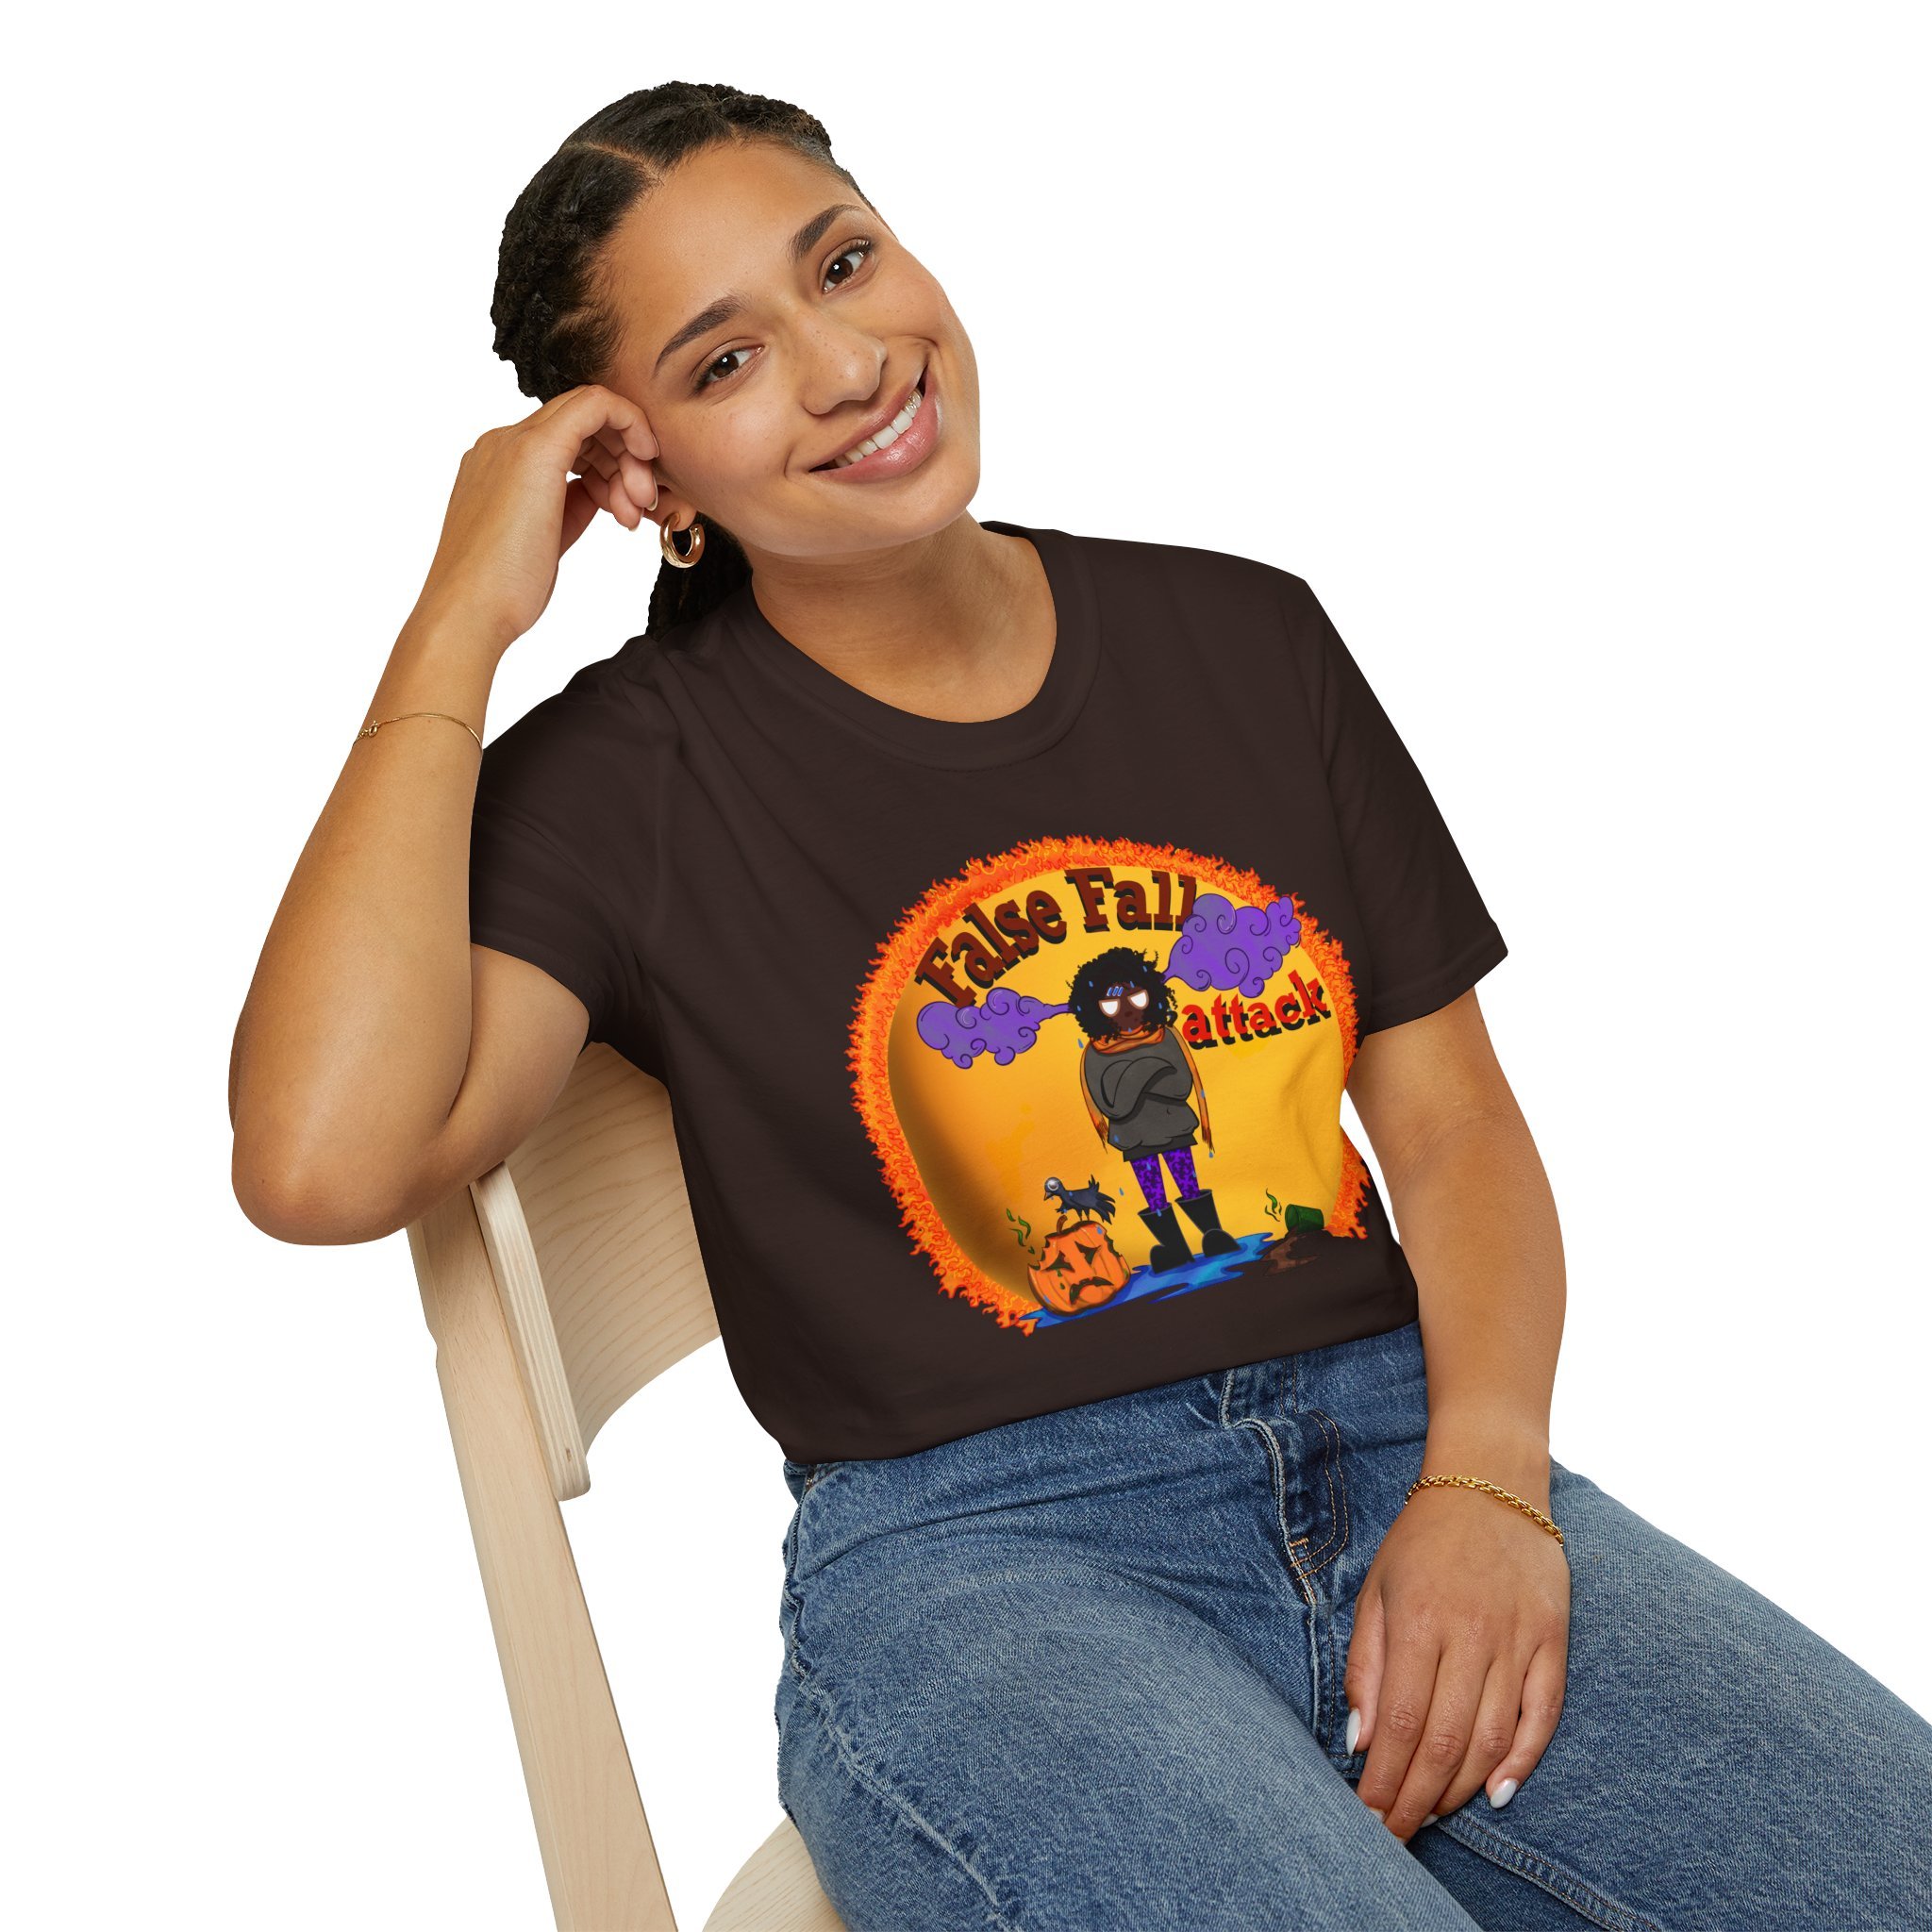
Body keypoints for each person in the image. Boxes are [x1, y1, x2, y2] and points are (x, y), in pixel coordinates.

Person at [228, 80, 1932, 1932]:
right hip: (986, 1564)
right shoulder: (627, 778)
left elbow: (1451, 1131)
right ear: (651, 483)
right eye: (725, 362)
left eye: (843, 264)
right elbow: (320, 1161)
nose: (846, 365)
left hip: (1406, 1447)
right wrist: (458, 618)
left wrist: (1490, 1485)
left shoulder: (1247, 639)